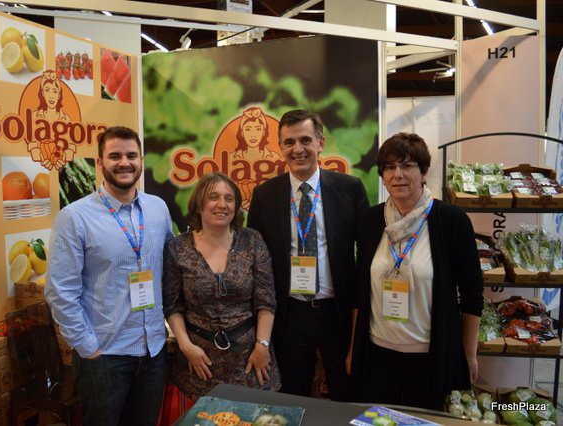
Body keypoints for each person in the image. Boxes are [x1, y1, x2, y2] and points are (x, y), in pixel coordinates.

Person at [45, 126, 173, 426]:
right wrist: (88, 347)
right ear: (100, 163)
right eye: (115, 156)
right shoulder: (74, 217)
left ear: (141, 160)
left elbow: (170, 266)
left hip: (153, 350)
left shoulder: (158, 209)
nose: (124, 163)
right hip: (105, 357)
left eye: (131, 155)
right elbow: (60, 292)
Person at [347, 132, 483, 410]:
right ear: (383, 175)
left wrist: (469, 354)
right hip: (376, 355)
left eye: (407, 165)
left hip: (429, 358)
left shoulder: (451, 221)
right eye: (389, 167)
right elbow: (360, 291)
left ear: (423, 172)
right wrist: (353, 349)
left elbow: (472, 293)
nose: (397, 174)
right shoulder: (370, 220)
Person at [247, 109, 369, 401]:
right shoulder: (264, 196)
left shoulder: (350, 189)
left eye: (305, 140)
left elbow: (366, 255)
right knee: (291, 398)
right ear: (280, 147)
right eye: (289, 142)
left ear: (320, 142)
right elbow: (256, 263)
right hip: (290, 315)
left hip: (338, 313)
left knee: (346, 396)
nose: (297, 149)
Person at [163, 172, 281, 402]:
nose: (222, 204)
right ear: (199, 204)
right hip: (198, 362)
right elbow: (172, 305)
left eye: (229, 199)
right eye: (213, 197)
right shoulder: (178, 247)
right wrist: (186, 347)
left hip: (250, 360)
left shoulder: (252, 240)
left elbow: (266, 300)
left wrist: (262, 346)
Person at [232, 107, 281, 210]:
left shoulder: (275, 158)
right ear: (242, 132)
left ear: (263, 132)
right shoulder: (231, 158)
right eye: (248, 129)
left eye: (258, 129)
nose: (253, 135)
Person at [30, 70, 73, 170]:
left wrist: (63, 158)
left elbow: (71, 146)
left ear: (59, 95)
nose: (51, 95)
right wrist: (40, 158)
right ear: (42, 93)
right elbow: (32, 144)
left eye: (55, 91)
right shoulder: (34, 116)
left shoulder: (66, 119)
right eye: (47, 90)